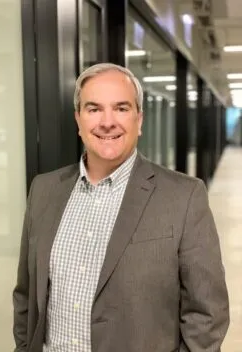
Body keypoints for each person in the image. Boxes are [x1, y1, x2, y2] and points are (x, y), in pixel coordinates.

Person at [13, 63, 229, 352]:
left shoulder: (184, 197)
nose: (107, 121)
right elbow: (27, 298)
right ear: (78, 120)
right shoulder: (43, 190)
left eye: (121, 108)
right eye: (94, 109)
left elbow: (207, 315)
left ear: (139, 120)